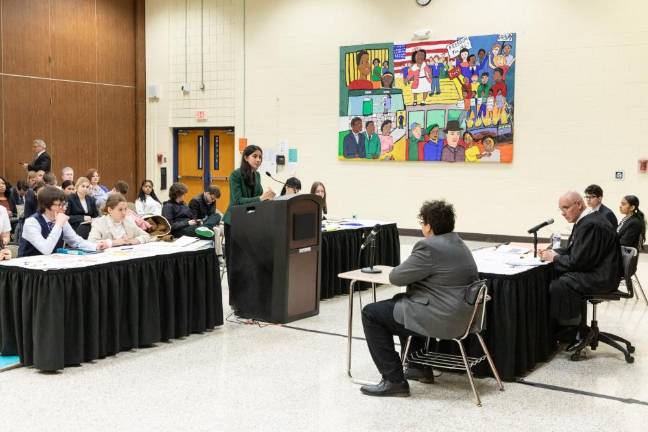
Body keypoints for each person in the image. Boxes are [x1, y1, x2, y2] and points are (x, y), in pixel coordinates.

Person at [359, 200, 478, 397]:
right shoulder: (459, 243)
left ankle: (393, 380)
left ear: (429, 225)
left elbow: (396, 277)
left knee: (371, 313)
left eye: (423, 223)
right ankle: (418, 366)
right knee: (405, 302)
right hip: (463, 316)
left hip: (442, 318)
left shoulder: (428, 247)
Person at [539, 191, 622, 352]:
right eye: (560, 209)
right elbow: (577, 252)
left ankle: (577, 330)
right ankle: (570, 328)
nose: (563, 213)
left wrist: (554, 258)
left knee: (561, 283)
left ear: (578, 204)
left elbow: (579, 261)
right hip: (599, 270)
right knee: (560, 276)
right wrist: (556, 254)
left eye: (566, 208)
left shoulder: (590, 224)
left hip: (602, 276)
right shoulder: (587, 220)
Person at [223, 145, 275, 299]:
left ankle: (248, 295)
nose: (258, 160)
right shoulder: (235, 175)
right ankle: (235, 299)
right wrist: (261, 198)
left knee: (247, 261)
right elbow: (237, 201)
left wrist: (269, 198)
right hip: (234, 223)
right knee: (235, 262)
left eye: (260, 157)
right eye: (255, 156)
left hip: (250, 223)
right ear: (246, 157)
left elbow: (259, 198)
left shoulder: (257, 175)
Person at [18, 186, 108, 257]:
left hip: (50, 265)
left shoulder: (60, 219)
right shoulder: (31, 222)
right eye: (59, 205)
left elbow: (75, 241)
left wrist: (95, 246)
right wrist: (58, 225)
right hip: (28, 269)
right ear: (46, 205)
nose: (64, 208)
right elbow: (46, 250)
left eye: (64, 204)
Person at [88, 193, 155, 247]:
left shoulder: (128, 220)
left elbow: (147, 236)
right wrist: (112, 243)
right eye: (120, 210)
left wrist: (136, 240)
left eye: (125, 209)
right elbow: (91, 242)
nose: (124, 213)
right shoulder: (99, 223)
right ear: (110, 210)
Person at [188, 185, 224, 258]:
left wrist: (214, 222)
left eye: (214, 200)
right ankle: (218, 256)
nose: (213, 201)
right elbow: (193, 219)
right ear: (207, 193)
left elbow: (212, 215)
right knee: (216, 230)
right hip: (199, 225)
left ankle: (225, 254)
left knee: (220, 219)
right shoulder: (195, 201)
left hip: (208, 223)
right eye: (212, 198)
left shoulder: (212, 201)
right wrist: (205, 222)